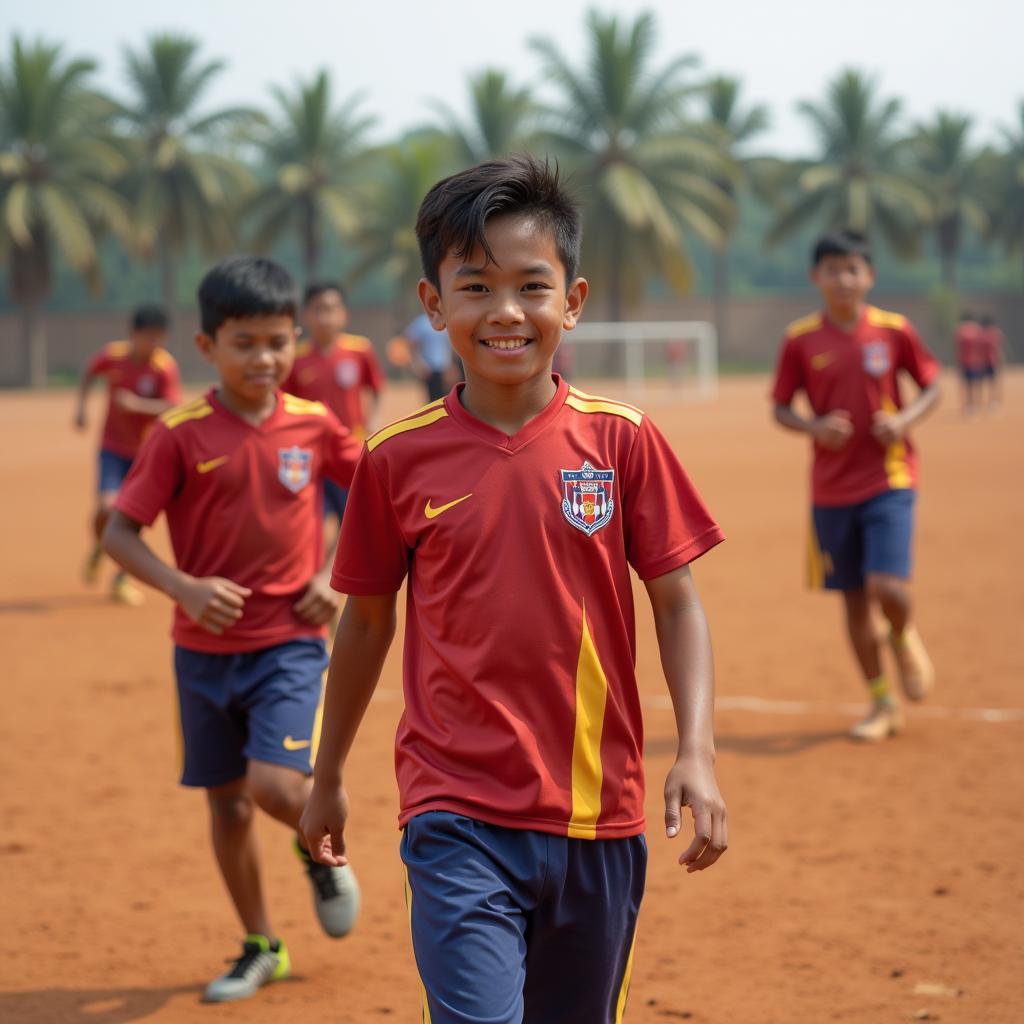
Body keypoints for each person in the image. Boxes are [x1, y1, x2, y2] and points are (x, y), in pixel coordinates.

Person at [300, 156, 727, 1023]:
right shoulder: (396, 459)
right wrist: (328, 771)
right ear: (434, 306)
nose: (504, 312)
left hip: (597, 815)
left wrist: (698, 752)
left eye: (531, 286)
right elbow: (366, 624)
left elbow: (677, 604)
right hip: (454, 812)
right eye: (475, 287)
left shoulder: (623, 443)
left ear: (571, 300)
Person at [102, 256, 363, 1003]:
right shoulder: (180, 434)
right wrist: (181, 587)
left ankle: (321, 854)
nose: (266, 358)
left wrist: (332, 574)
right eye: (245, 342)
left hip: (289, 640)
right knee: (226, 803)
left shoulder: (313, 426)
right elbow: (122, 533)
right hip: (201, 653)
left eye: (278, 341)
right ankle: (261, 944)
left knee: (277, 786)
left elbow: (371, 496)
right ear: (207, 346)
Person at [771, 229, 941, 742]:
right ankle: (882, 702)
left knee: (886, 586)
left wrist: (905, 419)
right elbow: (781, 406)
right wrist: (814, 427)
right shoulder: (800, 339)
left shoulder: (894, 330)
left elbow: (932, 384)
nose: (843, 279)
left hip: (890, 477)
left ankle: (903, 632)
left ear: (869, 276)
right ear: (815, 277)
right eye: (832, 269)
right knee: (852, 602)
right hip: (830, 489)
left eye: (853, 269)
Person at [74, 304, 181, 604]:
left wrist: (137, 405)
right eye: (148, 337)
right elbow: (89, 372)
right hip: (111, 448)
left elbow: (172, 405)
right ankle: (101, 548)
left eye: (159, 338)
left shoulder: (164, 366)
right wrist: (81, 408)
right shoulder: (113, 355)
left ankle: (121, 578)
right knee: (106, 510)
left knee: (134, 517)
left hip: (145, 454)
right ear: (133, 334)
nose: (154, 344)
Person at [284, 281, 385, 527]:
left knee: (354, 517)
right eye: (318, 310)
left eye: (331, 309)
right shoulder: (295, 357)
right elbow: (285, 402)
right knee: (314, 518)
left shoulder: (360, 350)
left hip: (349, 447)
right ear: (306, 315)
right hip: (311, 452)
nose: (325, 317)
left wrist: (372, 419)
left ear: (344, 314)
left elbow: (376, 387)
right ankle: (322, 564)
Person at [400, 310, 455, 402]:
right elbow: (411, 345)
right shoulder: (421, 322)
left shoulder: (446, 321)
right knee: (433, 401)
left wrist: (451, 365)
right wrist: (419, 364)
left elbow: (449, 346)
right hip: (429, 368)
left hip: (444, 368)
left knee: (447, 400)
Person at [954, 311, 985, 414]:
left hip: (965, 362)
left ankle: (969, 405)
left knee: (967, 385)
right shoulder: (977, 329)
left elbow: (958, 348)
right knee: (977, 384)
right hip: (976, 361)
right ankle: (976, 404)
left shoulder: (959, 330)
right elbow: (981, 346)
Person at [978, 313, 1006, 410]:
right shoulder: (996, 333)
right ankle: (992, 401)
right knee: (992, 383)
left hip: (985, 362)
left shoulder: (981, 334)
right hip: (990, 362)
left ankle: (989, 401)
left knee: (984, 383)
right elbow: (999, 349)